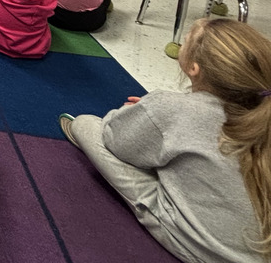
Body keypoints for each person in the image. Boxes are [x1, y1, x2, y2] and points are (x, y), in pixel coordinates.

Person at [60, 18, 271, 263]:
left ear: (193, 68)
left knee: (86, 125)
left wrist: (151, 116)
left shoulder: (172, 108)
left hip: (212, 251)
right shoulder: (261, 113)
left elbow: (114, 139)